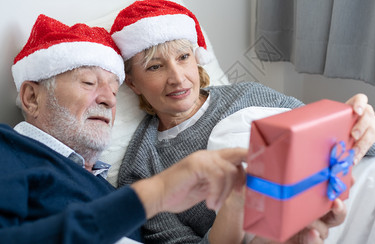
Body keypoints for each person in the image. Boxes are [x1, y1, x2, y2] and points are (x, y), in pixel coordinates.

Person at [110, 0, 375, 243]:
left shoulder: (249, 94)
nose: (177, 77)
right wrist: (237, 200)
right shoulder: (141, 170)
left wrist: (362, 123)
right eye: (156, 66)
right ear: (133, 83)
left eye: (183, 57)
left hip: (360, 197)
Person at [0, 14, 249, 244]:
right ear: (32, 97)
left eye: (114, 90)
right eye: (89, 82)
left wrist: (237, 202)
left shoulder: (113, 193)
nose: (108, 99)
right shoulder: (9, 150)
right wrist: (154, 193)